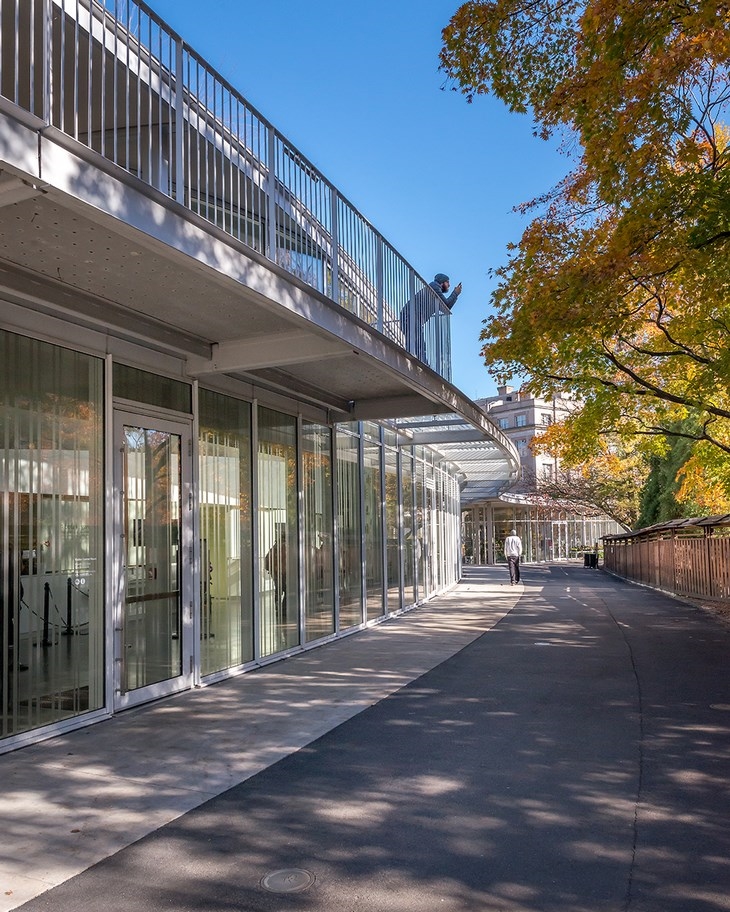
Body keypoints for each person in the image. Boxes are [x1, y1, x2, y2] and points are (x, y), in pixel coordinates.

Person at [400, 273, 462, 364]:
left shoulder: (434, 290)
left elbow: (445, 308)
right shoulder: (435, 287)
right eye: (447, 282)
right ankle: (417, 363)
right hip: (410, 316)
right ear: (442, 282)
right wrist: (455, 293)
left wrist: (455, 294)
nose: (449, 285)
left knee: (418, 343)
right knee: (418, 344)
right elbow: (447, 305)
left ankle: (419, 362)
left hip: (410, 317)